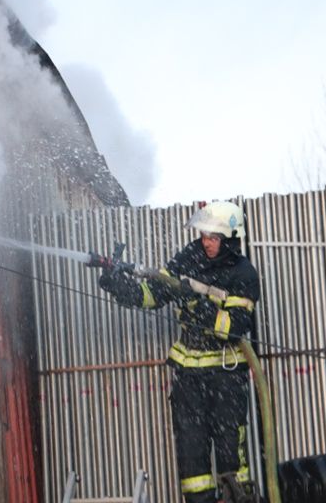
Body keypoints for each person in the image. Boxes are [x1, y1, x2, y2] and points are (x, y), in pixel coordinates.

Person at [98, 201, 261, 503]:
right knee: (191, 454)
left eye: (214, 237)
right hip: (188, 379)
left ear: (230, 240)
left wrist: (198, 306)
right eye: (204, 235)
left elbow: (236, 326)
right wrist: (118, 285)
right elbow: (154, 293)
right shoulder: (188, 258)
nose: (206, 242)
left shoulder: (243, 274)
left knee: (231, 455)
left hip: (226, 378)